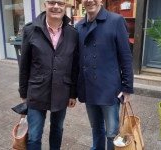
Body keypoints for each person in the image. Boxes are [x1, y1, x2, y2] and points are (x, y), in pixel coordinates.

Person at [18, 0, 79, 149]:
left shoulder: (73, 33)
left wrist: (72, 93)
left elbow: (74, 66)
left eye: (61, 3)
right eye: (52, 2)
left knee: (57, 129)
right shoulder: (31, 30)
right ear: (44, 5)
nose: (56, 7)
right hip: (37, 91)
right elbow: (24, 64)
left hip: (62, 91)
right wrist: (23, 92)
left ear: (65, 7)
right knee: (34, 136)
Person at [75, 0, 134, 149]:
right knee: (96, 127)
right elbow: (77, 59)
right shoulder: (79, 26)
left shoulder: (116, 20)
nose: (89, 1)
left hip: (109, 88)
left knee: (112, 131)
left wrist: (127, 87)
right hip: (89, 87)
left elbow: (125, 56)